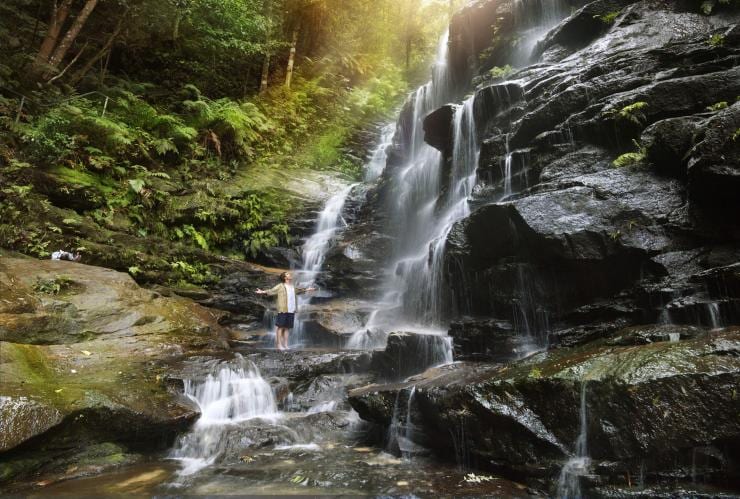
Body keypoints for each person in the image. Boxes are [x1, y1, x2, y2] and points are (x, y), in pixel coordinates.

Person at [255, 272, 316, 350]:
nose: (290, 274)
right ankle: (279, 345)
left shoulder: (292, 287)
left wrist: (308, 289)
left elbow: (299, 290)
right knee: (280, 327)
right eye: (287, 274)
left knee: (287, 328)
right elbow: (272, 291)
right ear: (284, 277)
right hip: (283, 309)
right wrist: (262, 292)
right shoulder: (280, 286)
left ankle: (286, 345)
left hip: (291, 309)